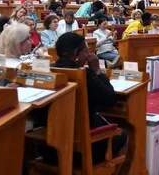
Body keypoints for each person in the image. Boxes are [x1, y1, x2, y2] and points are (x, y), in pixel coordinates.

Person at [52, 33, 127, 161]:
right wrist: (97, 71)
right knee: (123, 133)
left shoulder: (50, 70)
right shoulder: (84, 74)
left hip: (51, 148)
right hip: (81, 151)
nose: (88, 55)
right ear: (76, 53)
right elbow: (110, 99)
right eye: (86, 51)